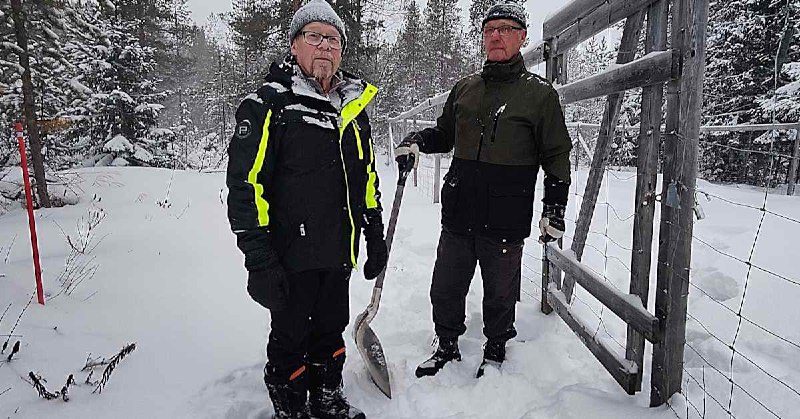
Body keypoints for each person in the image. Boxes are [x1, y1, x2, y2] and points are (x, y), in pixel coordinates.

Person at [395, 3, 572, 379]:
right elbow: (445, 134)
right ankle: (446, 344)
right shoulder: (465, 88)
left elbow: (556, 153)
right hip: (460, 208)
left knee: (500, 291)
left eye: (506, 29)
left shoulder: (539, 95)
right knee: (445, 286)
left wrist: (554, 207)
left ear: (522, 38)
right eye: (490, 29)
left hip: (506, 212)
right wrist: (418, 140)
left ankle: (495, 348)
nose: (496, 35)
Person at [226, 1, 385, 417]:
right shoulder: (269, 105)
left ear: (342, 50)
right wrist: (259, 259)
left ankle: (327, 396)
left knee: (330, 328)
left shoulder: (353, 109)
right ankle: (291, 404)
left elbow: (365, 177)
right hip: (289, 254)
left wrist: (373, 231)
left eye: (332, 39)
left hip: (337, 251)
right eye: (313, 36)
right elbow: (245, 186)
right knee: (290, 335)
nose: (324, 46)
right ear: (294, 45)